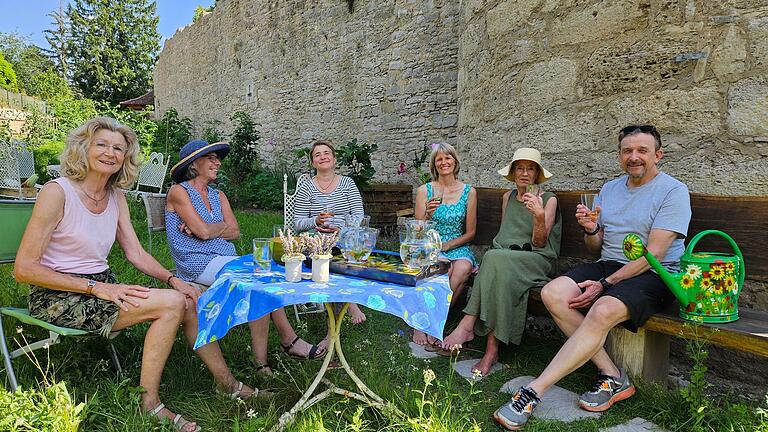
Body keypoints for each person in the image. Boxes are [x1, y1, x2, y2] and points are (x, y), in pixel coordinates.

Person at [13, 118, 266, 432]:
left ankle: (226, 384)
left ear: (125, 157)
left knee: (186, 298)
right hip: (57, 295)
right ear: (84, 148)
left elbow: (134, 252)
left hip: (100, 286)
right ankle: (150, 404)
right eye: (102, 144)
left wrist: (174, 279)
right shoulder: (58, 192)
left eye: (118, 148)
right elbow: (24, 269)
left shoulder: (115, 196)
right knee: (173, 304)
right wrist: (95, 288)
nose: (110, 153)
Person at [493, 125, 692, 430]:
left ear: (658, 155)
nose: (634, 157)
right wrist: (590, 229)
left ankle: (535, 390)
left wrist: (605, 285)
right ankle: (612, 375)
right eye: (627, 151)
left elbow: (652, 255)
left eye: (642, 151)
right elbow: (595, 248)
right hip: (609, 264)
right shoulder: (610, 189)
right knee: (553, 293)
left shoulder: (673, 191)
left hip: (655, 273)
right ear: (619, 156)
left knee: (601, 308)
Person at [166, 140, 327, 367]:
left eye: (217, 158)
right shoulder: (179, 192)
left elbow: (235, 231)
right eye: (211, 158)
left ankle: (265, 362)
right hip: (196, 263)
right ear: (194, 164)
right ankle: (287, 342)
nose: (217, 162)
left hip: (226, 260)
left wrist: (209, 229)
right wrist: (211, 229)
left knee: (261, 278)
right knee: (259, 276)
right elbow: (203, 232)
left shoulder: (217, 195)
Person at [441, 148, 561, 377]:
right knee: (497, 265)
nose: (525, 173)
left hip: (536, 259)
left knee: (494, 259)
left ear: (537, 174)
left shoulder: (548, 199)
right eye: (520, 168)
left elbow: (540, 242)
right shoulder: (507, 197)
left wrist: (538, 214)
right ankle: (491, 350)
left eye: (530, 168)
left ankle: (467, 325)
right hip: (504, 259)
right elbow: (506, 235)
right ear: (513, 172)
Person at [293, 140, 367, 324]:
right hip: (317, 239)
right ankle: (348, 302)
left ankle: (343, 302)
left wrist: (343, 230)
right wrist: (315, 220)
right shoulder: (306, 188)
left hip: (346, 237)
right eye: (317, 155)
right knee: (322, 252)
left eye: (326, 153)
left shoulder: (348, 184)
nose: (322, 157)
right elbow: (298, 224)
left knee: (346, 249)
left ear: (334, 160)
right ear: (312, 162)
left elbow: (359, 216)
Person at [412, 142, 477, 347]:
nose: (444, 162)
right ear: (434, 165)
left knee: (463, 267)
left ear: (455, 162)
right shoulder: (425, 190)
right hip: (430, 245)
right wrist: (427, 215)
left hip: (457, 245)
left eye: (448, 158)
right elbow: (418, 231)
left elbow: (471, 233)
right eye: (439, 159)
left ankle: (432, 320)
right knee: (441, 268)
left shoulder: (469, 192)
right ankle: (423, 323)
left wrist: (448, 246)